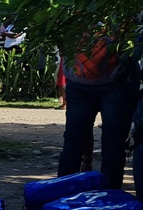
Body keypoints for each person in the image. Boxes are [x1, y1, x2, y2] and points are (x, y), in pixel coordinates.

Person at [57, 28, 139, 189]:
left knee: (75, 142)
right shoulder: (123, 9)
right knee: (111, 144)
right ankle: (108, 199)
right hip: (114, 80)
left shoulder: (67, 6)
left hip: (87, 79)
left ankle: (63, 195)